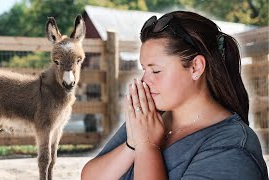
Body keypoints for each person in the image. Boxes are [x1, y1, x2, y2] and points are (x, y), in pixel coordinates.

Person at [81, 11, 268, 180]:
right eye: (144, 69)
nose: (144, 80)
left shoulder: (233, 148)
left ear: (196, 67)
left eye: (155, 71)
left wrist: (147, 147)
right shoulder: (151, 116)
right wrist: (132, 145)